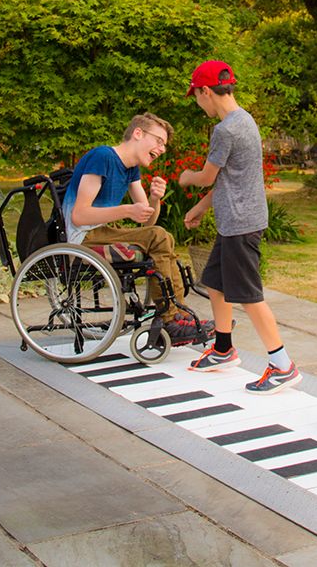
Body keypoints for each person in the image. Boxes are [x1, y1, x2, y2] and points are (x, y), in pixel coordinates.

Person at [178, 60, 302, 395]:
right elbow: (229, 179)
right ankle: (222, 349)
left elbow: (206, 176)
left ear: (206, 91)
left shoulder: (226, 129)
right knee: (215, 283)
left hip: (240, 223)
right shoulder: (243, 120)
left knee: (249, 296)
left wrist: (186, 178)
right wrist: (202, 207)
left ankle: (282, 366)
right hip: (237, 219)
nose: (197, 102)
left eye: (196, 96)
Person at [62, 112, 214, 345]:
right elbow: (79, 215)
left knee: (161, 236)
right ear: (138, 133)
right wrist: (126, 210)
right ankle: (171, 318)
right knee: (159, 236)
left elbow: (147, 222)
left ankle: (179, 315)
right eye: (159, 141)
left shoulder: (131, 168)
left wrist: (154, 200)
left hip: (103, 231)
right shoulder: (103, 156)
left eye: (164, 145)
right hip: (84, 237)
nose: (162, 149)